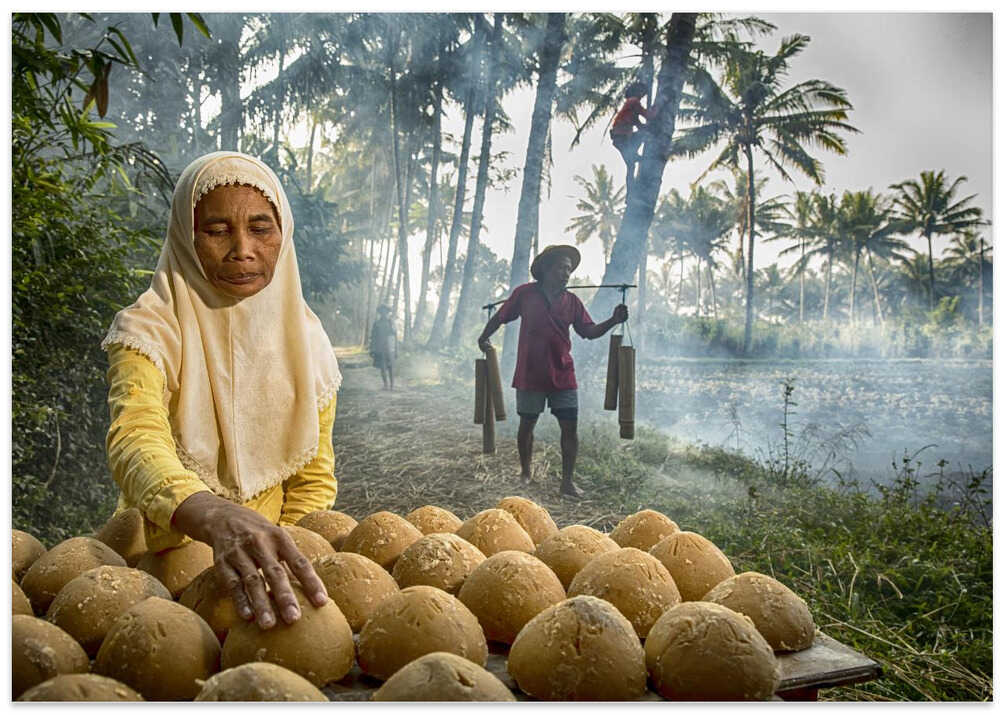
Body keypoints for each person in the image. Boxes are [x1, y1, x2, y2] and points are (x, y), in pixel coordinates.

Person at [102, 151, 341, 631]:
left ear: (283, 234)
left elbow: (313, 481)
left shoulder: (307, 342)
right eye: (216, 231)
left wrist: (279, 557)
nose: (242, 249)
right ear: (186, 238)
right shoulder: (149, 329)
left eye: (260, 228)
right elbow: (135, 438)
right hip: (158, 558)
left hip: (262, 571)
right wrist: (210, 515)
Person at [476, 244, 628, 498]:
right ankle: (526, 472)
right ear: (546, 269)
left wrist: (613, 320)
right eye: (561, 267)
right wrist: (483, 337)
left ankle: (567, 482)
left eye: (569, 269)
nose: (566, 273)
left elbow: (588, 332)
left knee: (570, 428)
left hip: (563, 374)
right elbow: (501, 317)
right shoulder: (524, 294)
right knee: (527, 425)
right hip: (530, 373)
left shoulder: (573, 302)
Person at [610, 81, 654, 196]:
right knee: (645, 136)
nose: (643, 95)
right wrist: (660, 105)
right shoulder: (633, 102)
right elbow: (649, 116)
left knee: (631, 166)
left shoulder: (630, 108)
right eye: (642, 92)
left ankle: (630, 195)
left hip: (621, 140)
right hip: (623, 140)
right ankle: (636, 156)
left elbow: (639, 125)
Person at [369, 304, 397, 390]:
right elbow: (373, 337)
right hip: (380, 348)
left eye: (386, 312)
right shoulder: (376, 324)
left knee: (391, 367)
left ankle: (392, 385)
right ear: (380, 313)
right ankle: (386, 385)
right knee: (383, 367)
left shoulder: (391, 323)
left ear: (388, 313)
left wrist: (396, 350)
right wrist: (372, 349)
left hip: (390, 348)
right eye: (382, 312)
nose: (384, 313)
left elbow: (394, 336)